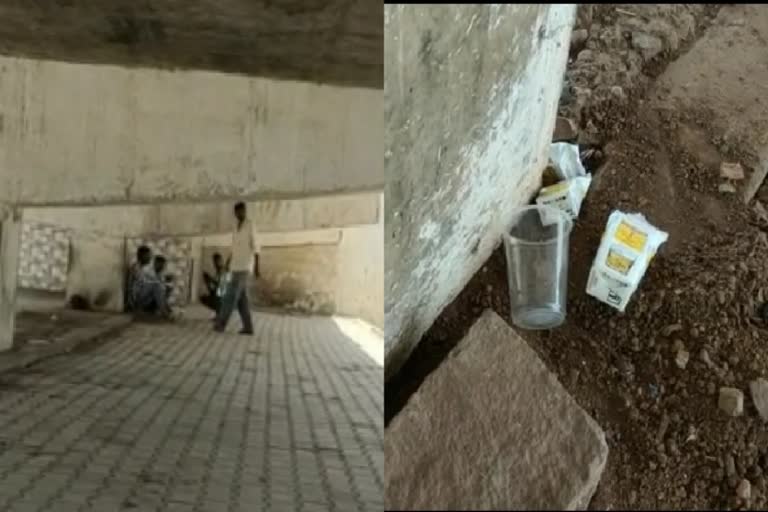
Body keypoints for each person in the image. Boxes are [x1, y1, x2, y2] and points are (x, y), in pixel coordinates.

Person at [214, 202, 259, 334]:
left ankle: (221, 324)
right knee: (241, 299)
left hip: (245, 266)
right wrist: (227, 264)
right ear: (235, 213)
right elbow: (233, 248)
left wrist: (257, 267)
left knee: (230, 295)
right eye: (237, 211)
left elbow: (256, 247)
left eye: (242, 211)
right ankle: (248, 327)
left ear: (245, 211)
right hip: (234, 266)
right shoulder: (234, 226)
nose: (240, 213)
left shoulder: (251, 225)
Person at [127, 245, 172, 319]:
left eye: (150, 255)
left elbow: (153, 281)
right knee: (156, 285)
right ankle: (164, 312)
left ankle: (164, 309)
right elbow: (136, 286)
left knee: (163, 287)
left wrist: (164, 285)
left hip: (145, 296)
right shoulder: (136, 267)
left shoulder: (147, 268)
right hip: (137, 298)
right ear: (141, 256)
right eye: (148, 255)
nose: (150, 257)